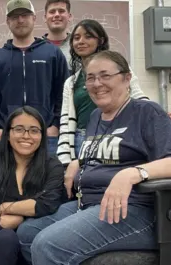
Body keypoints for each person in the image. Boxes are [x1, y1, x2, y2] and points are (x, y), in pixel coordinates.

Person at [15, 50, 171, 265]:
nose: (96, 84)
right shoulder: (96, 117)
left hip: (145, 212)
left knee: (48, 246)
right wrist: (77, 162)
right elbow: (109, 152)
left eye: (105, 76)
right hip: (94, 204)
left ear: (127, 78)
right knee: (27, 234)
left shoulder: (146, 112)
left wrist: (132, 174)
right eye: (90, 78)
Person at [0, 106, 64, 265]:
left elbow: (48, 205)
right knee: (5, 238)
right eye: (19, 129)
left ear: (42, 136)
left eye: (34, 130)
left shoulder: (53, 166)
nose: (26, 136)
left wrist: (9, 210)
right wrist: (29, 211)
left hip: (38, 248)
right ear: (8, 134)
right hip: (2, 250)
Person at [0, 0, 69, 157]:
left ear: (34, 18)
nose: (20, 20)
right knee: (7, 181)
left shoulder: (52, 53)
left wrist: (55, 126)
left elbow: (63, 95)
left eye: (25, 15)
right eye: (14, 16)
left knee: (45, 181)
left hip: (45, 136)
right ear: (8, 21)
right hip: (7, 137)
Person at [57, 19, 148, 166]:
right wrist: (66, 161)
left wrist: (160, 115)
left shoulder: (120, 69)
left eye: (88, 36)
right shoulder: (71, 82)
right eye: (76, 37)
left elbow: (138, 96)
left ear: (101, 40)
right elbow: (66, 123)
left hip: (117, 137)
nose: (81, 41)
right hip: (83, 140)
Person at [41, 0, 73, 66]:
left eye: (61, 11)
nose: (57, 14)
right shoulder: (36, 47)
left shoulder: (78, 47)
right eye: (52, 12)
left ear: (69, 17)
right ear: (45, 18)